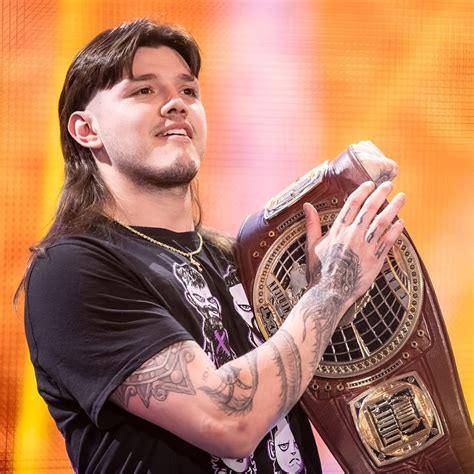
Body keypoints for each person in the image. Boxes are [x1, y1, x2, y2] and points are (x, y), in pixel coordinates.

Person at [19, 18, 405, 473]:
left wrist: (347, 219)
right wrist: (332, 291)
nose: (175, 105)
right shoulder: (72, 270)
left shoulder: (235, 258)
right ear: (86, 129)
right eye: (144, 91)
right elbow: (227, 419)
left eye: (188, 91)